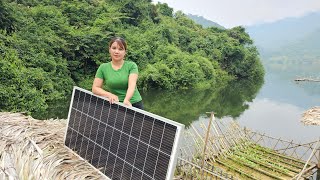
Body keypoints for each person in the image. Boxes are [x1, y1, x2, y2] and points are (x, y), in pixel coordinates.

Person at [92, 37, 144, 109]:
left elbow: (132, 86)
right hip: (115, 104)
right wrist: (108, 94)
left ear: (125, 52)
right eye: (114, 48)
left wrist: (126, 100)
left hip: (133, 104)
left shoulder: (132, 66)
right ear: (109, 49)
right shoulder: (103, 67)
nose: (116, 51)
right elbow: (95, 88)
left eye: (120, 49)